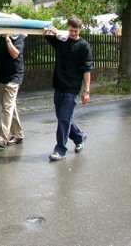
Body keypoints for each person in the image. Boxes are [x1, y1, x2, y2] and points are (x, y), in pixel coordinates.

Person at [44, 16, 93, 161]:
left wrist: (86, 91)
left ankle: (60, 150)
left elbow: (87, 70)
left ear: (80, 29)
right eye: (71, 30)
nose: (73, 33)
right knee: (62, 118)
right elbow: (45, 35)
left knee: (64, 119)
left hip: (72, 88)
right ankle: (79, 136)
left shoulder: (84, 46)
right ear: (68, 27)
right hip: (59, 86)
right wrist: (51, 31)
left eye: (76, 31)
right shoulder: (62, 41)